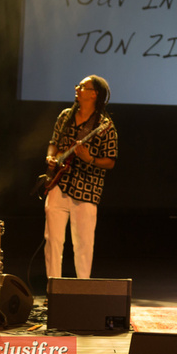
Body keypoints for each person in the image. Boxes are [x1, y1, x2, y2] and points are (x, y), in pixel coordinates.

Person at [44, 75, 118, 280]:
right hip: (59, 184)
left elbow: (110, 161)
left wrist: (90, 158)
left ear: (94, 94)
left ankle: (82, 288)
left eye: (82, 87)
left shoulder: (105, 125)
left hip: (87, 189)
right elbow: (54, 142)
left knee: (83, 244)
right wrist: (50, 156)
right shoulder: (65, 116)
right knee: (53, 241)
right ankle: (54, 288)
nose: (77, 89)